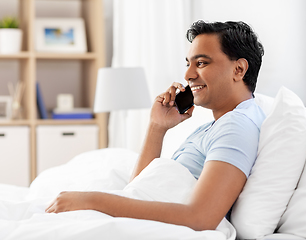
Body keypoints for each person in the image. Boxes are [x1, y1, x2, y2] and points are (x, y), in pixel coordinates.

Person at [45, 20, 266, 231]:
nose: (188, 75)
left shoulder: (235, 126)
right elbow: (138, 189)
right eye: (188, 64)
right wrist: (156, 127)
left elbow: (201, 217)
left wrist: (92, 199)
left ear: (239, 70)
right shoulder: (215, 126)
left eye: (201, 63)